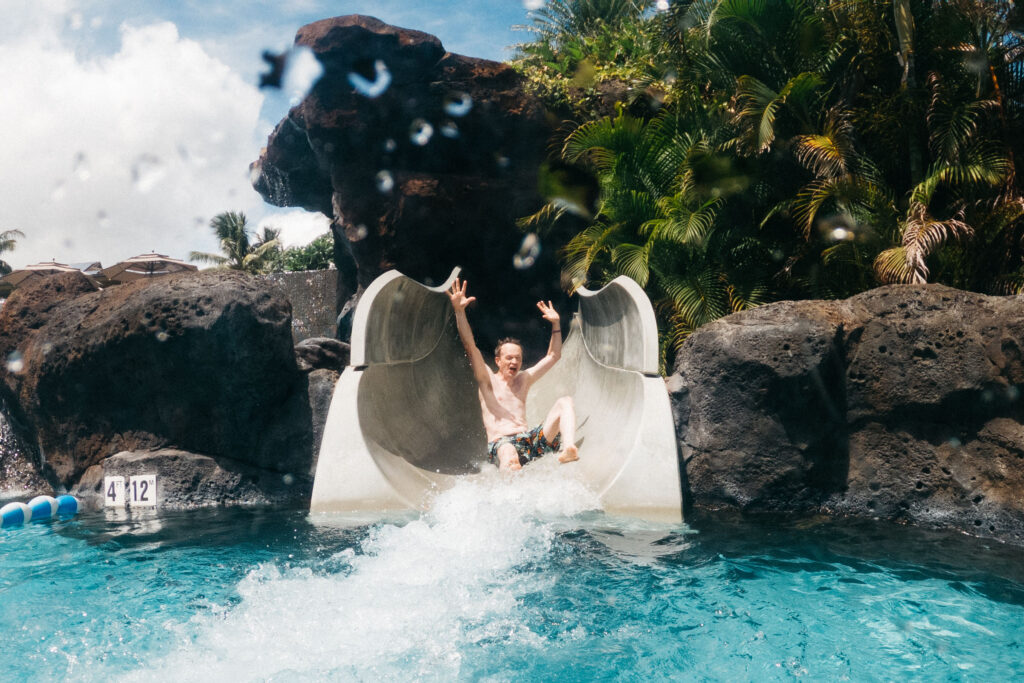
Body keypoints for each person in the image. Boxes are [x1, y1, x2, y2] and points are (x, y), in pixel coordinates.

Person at [447, 277, 579, 471]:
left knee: (565, 402)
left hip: (528, 440)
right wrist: (459, 311)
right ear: (498, 361)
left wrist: (556, 324)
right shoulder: (487, 380)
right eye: (509, 358)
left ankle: (568, 448)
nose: (514, 362)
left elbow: (553, 355)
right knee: (509, 455)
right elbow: (470, 347)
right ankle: (510, 492)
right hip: (501, 444)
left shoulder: (524, 379)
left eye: (517, 358)